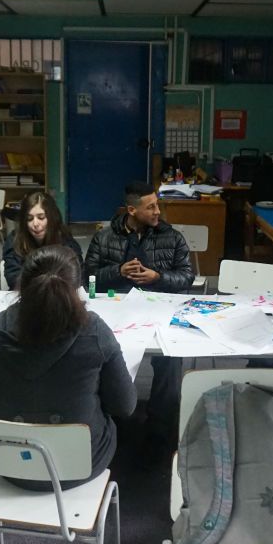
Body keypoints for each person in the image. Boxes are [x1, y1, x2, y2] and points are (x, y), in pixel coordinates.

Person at [0, 245, 136, 489]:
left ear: (22, 283)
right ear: (78, 288)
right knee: (108, 421)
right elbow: (125, 406)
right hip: (79, 467)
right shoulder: (95, 331)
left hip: (9, 464)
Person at [84, 181, 193, 458]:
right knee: (104, 356)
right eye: (151, 207)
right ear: (132, 210)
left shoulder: (173, 237)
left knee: (170, 360)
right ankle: (114, 420)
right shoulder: (105, 237)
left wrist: (158, 277)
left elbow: (186, 277)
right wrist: (119, 271)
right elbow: (89, 278)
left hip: (159, 311)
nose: (158, 211)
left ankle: (160, 430)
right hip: (117, 312)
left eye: (157, 205)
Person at [3, 191, 84, 289]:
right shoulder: (14, 240)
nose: (35, 223)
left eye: (41, 217)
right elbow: (13, 279)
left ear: (52, 218)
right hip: (27, 296)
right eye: (29, 219)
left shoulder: (66, 241)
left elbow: (77, 277)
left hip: (58, 297)